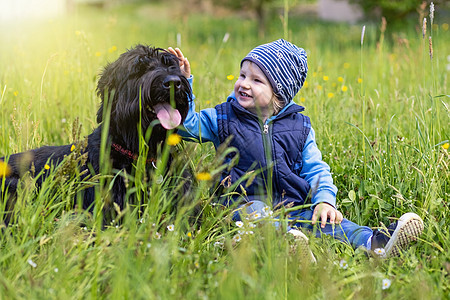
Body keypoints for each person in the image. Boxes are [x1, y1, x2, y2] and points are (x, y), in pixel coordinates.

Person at [167, 39, 423, 258]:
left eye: (257, 80)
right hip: (240, 205)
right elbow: (187, 126)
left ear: (279, 94)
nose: (244, 84)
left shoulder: (299, 128)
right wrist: (184, 82)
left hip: (292, 206)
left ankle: (376, 243)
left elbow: (316, 169)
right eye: (243, 75)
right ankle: (285, 244)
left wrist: (324, 201)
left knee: (331, 222)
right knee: (256, 214)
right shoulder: (223, 118)